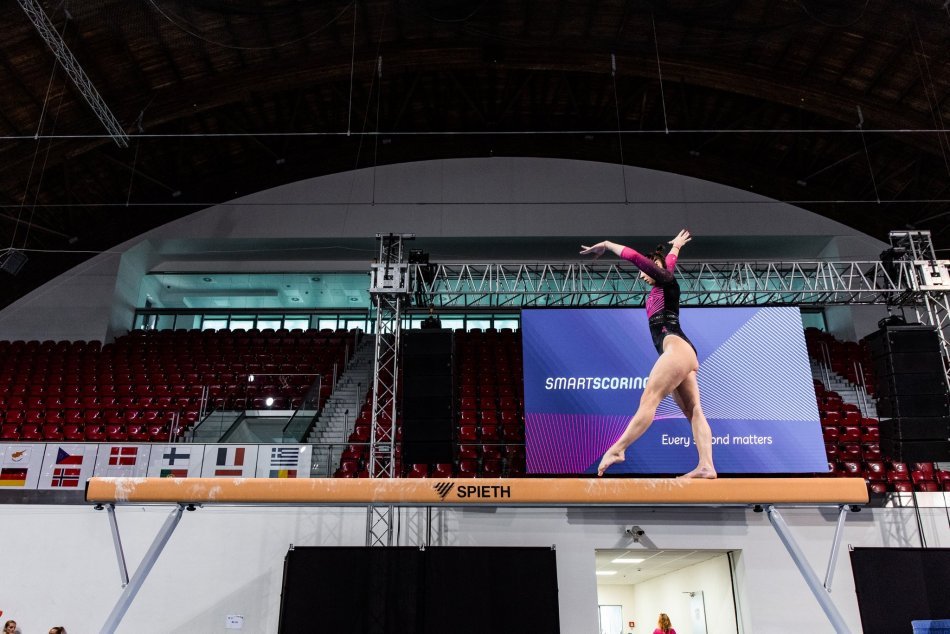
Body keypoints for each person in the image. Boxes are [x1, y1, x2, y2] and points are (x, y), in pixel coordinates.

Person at [580, 229, 716, 478]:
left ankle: (618, 448)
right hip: (683, 351)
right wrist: (675, 247)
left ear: (654, 265)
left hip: (676, 347)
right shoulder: (666, 279)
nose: (642, 277)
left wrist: (608, 244)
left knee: (649, 400)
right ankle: (706, 465)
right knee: (694, 410)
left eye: (644, 271)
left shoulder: (664, 279)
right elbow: (669, 262)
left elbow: (638, 258)